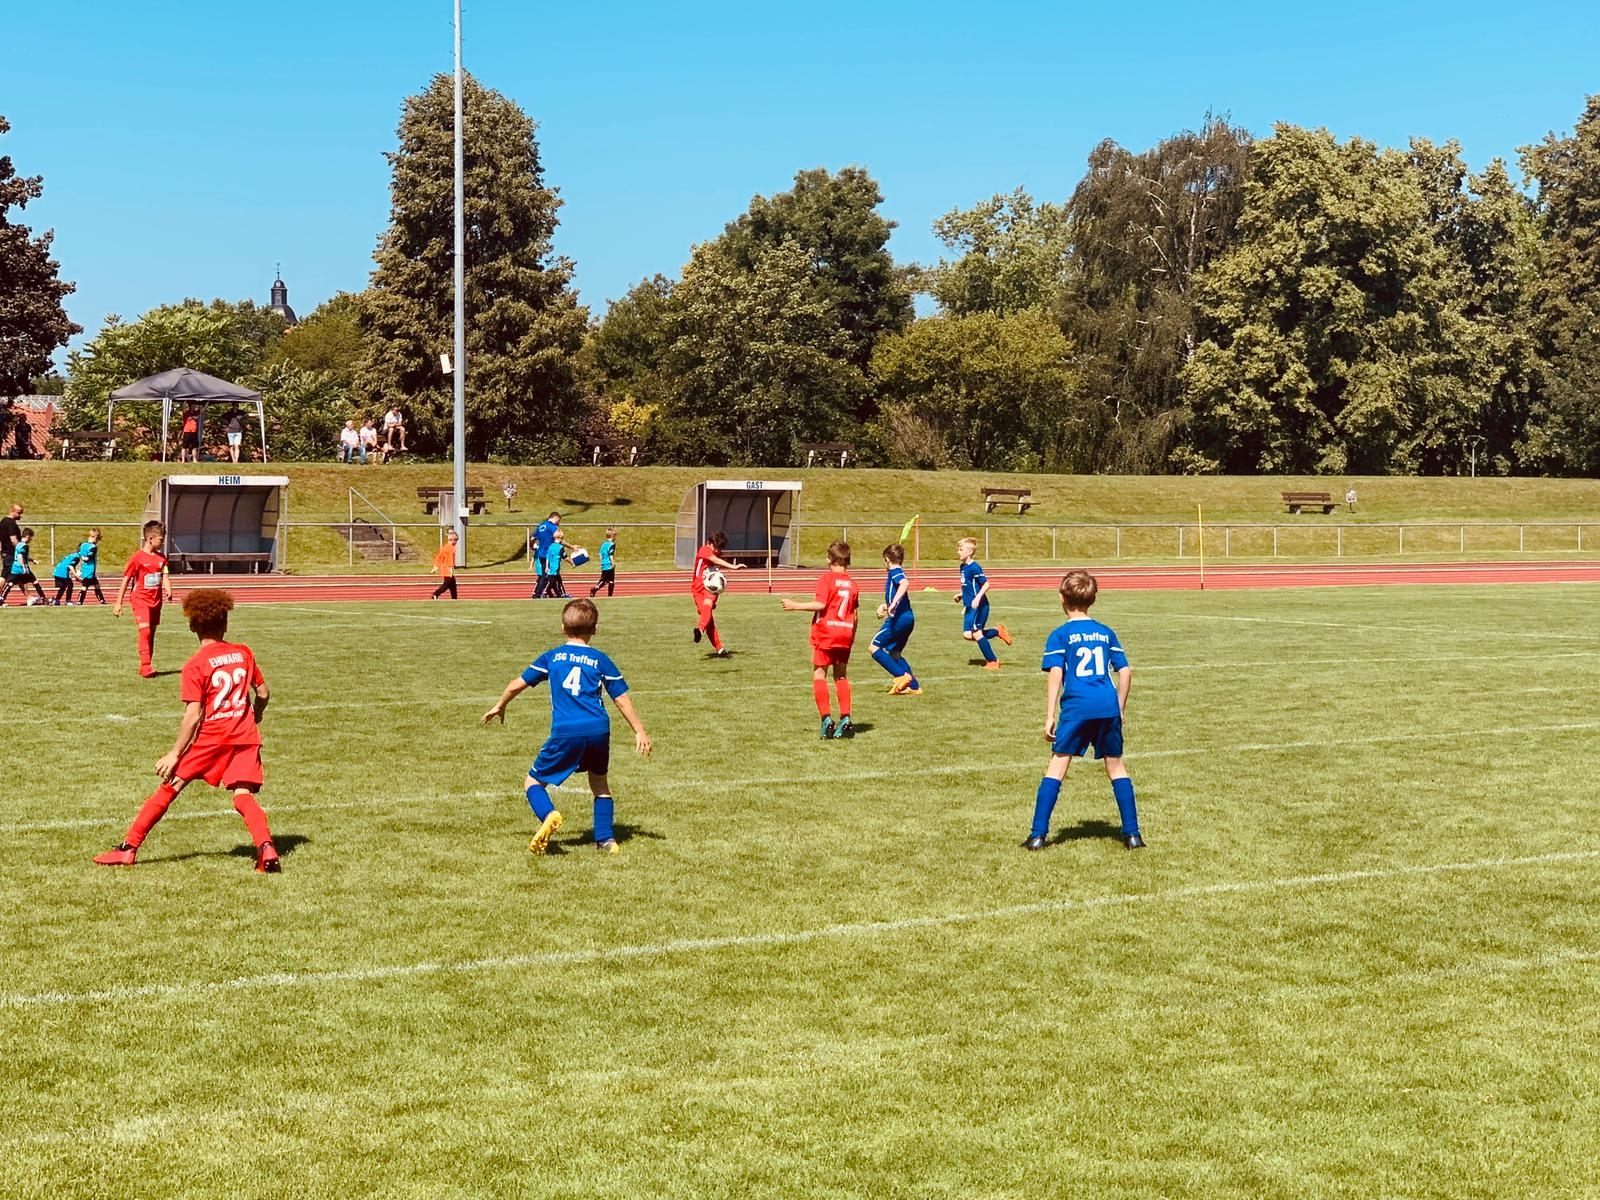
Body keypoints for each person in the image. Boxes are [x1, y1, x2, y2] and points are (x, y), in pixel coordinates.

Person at [93, 588, 281, 872]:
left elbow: (193, 716)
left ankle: (128, 849)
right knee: (243, 796)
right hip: (245, 736)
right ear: (225, 623)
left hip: (211, 739)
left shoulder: (195, 665)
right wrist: (257, 713)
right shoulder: (243, 652)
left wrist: (174, 753)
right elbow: (263, 693)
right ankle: (266, 847)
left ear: (193, 626)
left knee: (170, 786)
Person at [481, 596, 652, 855]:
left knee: (532, 782)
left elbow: (517, 684)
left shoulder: (552, 657)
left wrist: (500, 705)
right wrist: (639, 730)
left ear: (562, 627)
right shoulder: (600, 659)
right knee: (600, 784)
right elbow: (620, 698)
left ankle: (549, 814)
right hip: (598, 730)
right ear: (595, 629)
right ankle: (607, 840)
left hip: (566, 731)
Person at [1024, 570, 1144, 852]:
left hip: (1077, 707)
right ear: (1093, 598)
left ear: (1062, 598)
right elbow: (1125, 672)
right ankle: (1133, 835)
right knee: (1115, 766)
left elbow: (1056, 674)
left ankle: (1037, 835)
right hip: (1106, 706)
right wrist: (1119, 707)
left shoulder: (1060, 635)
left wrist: (1050, 715)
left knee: (1057, 765)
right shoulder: (1105, 632)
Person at [781, 540, 859, 739]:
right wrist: (851, 636)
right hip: (845, 633)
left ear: (828, 559)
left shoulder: (826, 579)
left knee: (819, 674)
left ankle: (826, 719)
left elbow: (821, 604)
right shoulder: (852, 584)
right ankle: (846, 718)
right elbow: (855, 615)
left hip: (826, 633)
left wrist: (795, 605)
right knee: (841, 675)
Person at [113, 519, 173, 677]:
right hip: (140, 600)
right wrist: (118, 603)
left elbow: (164, 575)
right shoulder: (137, 558)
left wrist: (168, 589)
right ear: (150, 538)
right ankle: (146, 666)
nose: (162, 542)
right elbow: (126, 580)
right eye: (161, 539)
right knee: (144, 630)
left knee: (151, 633)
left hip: (156, 601)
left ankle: (146, 664)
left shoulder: (162, 558)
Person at [870, 542, 920, 695]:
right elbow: (897, 598)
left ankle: (901, 676)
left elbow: (904, 583)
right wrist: (885, 606)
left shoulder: (895, 572)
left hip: (898, 620)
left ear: (887, 559)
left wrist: (893, 604)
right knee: (895, 653)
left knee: (874, 647)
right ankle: (914, 687)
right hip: (908, 618)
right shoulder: (896, 572)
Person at [955, 536, 1011, 670]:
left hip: (979, 606)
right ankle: (997, 631)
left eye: (961, 549)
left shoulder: (975, 567)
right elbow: (970, 586)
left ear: (969, 552)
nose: (958, 552)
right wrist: (961, 595)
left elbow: (986, 584)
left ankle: (993, 661)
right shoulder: (963, 567)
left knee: (977, 633)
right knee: (967, 635)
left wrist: (977, 598)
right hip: (970, 606)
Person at [691, 531, 746, 657]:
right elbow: (715, 560)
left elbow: (716, 561)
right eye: (715, 547)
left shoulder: (717, 552)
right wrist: (734, 567)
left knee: (708, 606)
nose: (717, 550)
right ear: (709, 543)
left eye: (719, 548)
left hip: (711, 588)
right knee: (708, 618)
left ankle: (700, 629)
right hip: (698, 589)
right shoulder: (704, 549)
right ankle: (720, 649)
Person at [0, 528, 48, 605]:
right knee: (35, 582)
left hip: (15, 568)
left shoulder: (18, 544)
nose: (31, 540)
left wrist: (32, 560)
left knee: (10, 584)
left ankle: (2, 599)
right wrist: (23, 567)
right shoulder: (25, 546)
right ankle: (44, 599)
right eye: (31, 538)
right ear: (28, 536)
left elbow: (22, 556)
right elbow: (20, 556)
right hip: (23, 568)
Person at [529, 511, 560, 595]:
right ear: (556, 518)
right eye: (558, 521)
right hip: (549, 554)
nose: (558, 524)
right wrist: (571, 546)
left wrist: (531, 546)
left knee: (552, 575)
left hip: (541, 554)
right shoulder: (552, 527)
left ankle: (557, 593)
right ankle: (537, 594)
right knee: (547, 576)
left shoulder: (540, 526)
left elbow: (532, 538)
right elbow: (559, 539)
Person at [535, 529, 571, 600]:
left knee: (558, 581)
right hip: (556, 567)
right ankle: (545, 592)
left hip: (550, 567)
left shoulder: (551, 546)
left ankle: (560, 594)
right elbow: (565, 557)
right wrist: (572, 563)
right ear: (560, 538)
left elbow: (547, 557)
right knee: (551, 582)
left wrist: (547, 567)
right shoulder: (560, 547)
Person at [76, 529, 106, 604]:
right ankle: (79, 601)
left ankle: (102, 600)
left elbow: (79, 553)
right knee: (85, 586)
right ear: (95, 537)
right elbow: (89, 557)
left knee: (96, 585)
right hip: (90, 570)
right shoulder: (93, 547)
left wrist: (82, 557)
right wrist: (85, 558)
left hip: (84, 568)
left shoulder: (83, 544)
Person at [431, 530, 460, 600]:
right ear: (452, 540)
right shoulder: (450, 547)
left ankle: (454, 598)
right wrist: (450, 569)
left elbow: (439, 557)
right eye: (456, 540)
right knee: (447, 583)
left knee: (452, 583)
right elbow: (450, 559)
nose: (456, 542)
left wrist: (436, 566)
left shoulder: (445, 547)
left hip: (444, 567)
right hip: (447, 568)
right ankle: (435, 594)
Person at [589, 528, 617, 597]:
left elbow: (600, 554)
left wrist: (602, 561)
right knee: (607, 580)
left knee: (608, 580)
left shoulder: (603, 544)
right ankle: (595, 589)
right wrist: (613, 563)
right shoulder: (612, 544)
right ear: (613, 536)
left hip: (604, 563)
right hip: (609, 564)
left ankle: (609, 595)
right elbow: (611, 555)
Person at [0, 503, 22, 583]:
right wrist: (20, 549)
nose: (21, 515)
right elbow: (13, 539)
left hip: (5, 551)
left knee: (19, 573)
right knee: (5, 574)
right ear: (13, 511)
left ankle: (26, 592)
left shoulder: (3, 521)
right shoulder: (11, 523)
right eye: (19, 513)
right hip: (11, 552)